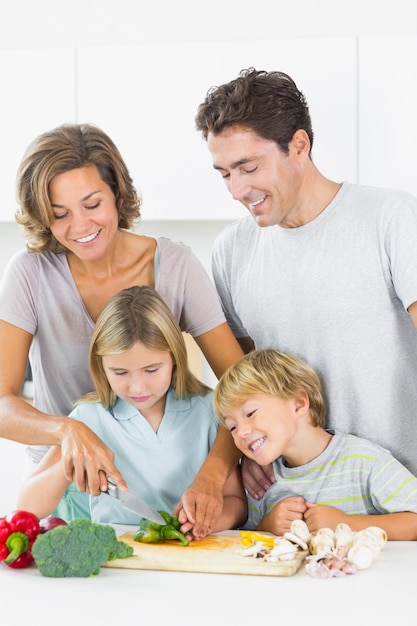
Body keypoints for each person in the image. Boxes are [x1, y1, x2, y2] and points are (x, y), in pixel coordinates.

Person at [0, 123, 243, 532]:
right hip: (70, 489)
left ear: (116, 192)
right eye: (59, 214)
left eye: (92, 204)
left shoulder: (176, 265)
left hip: (168, 484)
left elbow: (241, 390)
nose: (79, 226)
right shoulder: (30, 274)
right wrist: (67, 431)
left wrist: (213, 475)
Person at [195, 67, 417, 500]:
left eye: (248, 167)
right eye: (224, 173)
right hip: (297, 507)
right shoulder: (231, 251)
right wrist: (240, 457)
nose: (237, 189)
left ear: (299, 145)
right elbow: (241, 385)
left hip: (401, 498)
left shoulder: (390, 218)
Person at [17, 285, 247, 534]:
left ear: (174, 357)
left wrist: (206, 524)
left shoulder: (208, 412)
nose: (137, 387)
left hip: (193, 555)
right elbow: (26, 507)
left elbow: (236, 502)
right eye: (120, 372)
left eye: (151, 370)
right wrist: (69, 466)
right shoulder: (88, 419)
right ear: (100, 365)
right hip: (115, 559)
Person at [213, 349, 417, 540]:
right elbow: (248, 545)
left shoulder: (365, 461)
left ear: (299, 403)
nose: (241, 432)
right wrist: (266, 526)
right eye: (232, 428)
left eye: (250, 413)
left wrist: (347, 524)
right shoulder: (262, 482)